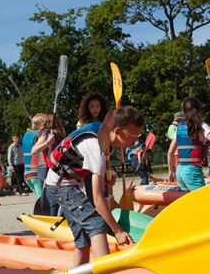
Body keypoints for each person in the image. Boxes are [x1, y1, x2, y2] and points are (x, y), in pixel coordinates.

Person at [45, 106, 143, 265]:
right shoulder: (97, 147)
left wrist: (103, 177)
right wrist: (117, 231)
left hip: (63, 183)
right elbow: (98, 200)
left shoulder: (104, 132)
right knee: (97, 223)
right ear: (117, 131)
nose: (136, 139)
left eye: (138, 134)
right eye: (132, 134)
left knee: (83, 239)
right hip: (61, 185)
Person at [29, 112, 64, 216]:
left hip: (58, 171)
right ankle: (51, 225)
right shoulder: (46, 134)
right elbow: (33, 150)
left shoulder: (58, 136)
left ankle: (61, 222)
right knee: (53, 203)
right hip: (48, 171)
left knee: (64, 200)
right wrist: (47, 143)